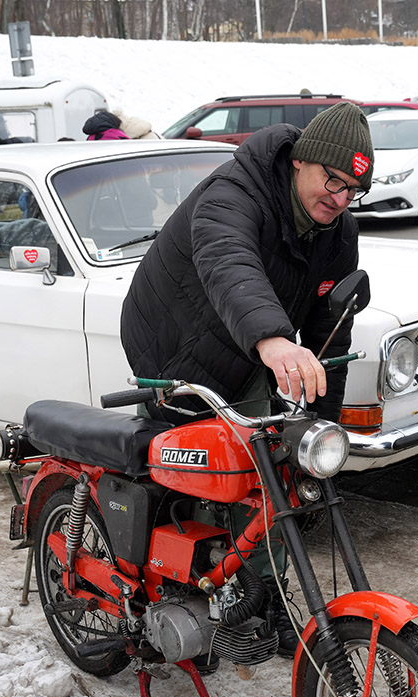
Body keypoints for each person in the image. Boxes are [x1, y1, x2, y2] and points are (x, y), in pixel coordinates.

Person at [119, 102, 372, 655]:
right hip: (172, 344)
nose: (340, 197)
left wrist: (319, 435)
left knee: (268, 481)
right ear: (300, 162)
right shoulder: (234, 192)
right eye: (332, 180)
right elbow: (229, 260)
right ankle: (153, 605)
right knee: (174, 474)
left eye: (353, 189)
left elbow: (333, 329)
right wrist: (274, 339)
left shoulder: (337, 228)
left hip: (248, 346)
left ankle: (263, 597)